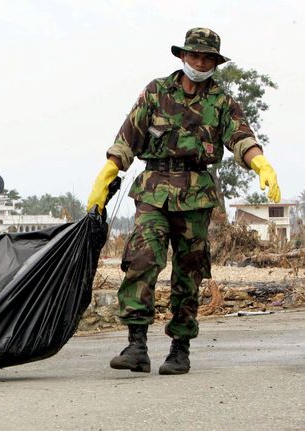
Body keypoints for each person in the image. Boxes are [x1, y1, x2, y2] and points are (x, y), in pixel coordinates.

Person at [86, 28, 280, 375]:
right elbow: (127, 137)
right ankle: (136, 345)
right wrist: (107, 173)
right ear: (182, 56)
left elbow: (241, 137)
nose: (200, 63)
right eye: (195, 56)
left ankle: (180, 347)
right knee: (143, 256)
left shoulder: (220, 101)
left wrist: (259, 163)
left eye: (208, 58)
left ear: (215, 63)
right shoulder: (157, 91)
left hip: (196, 194)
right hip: (153, 189)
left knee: (189, 271)